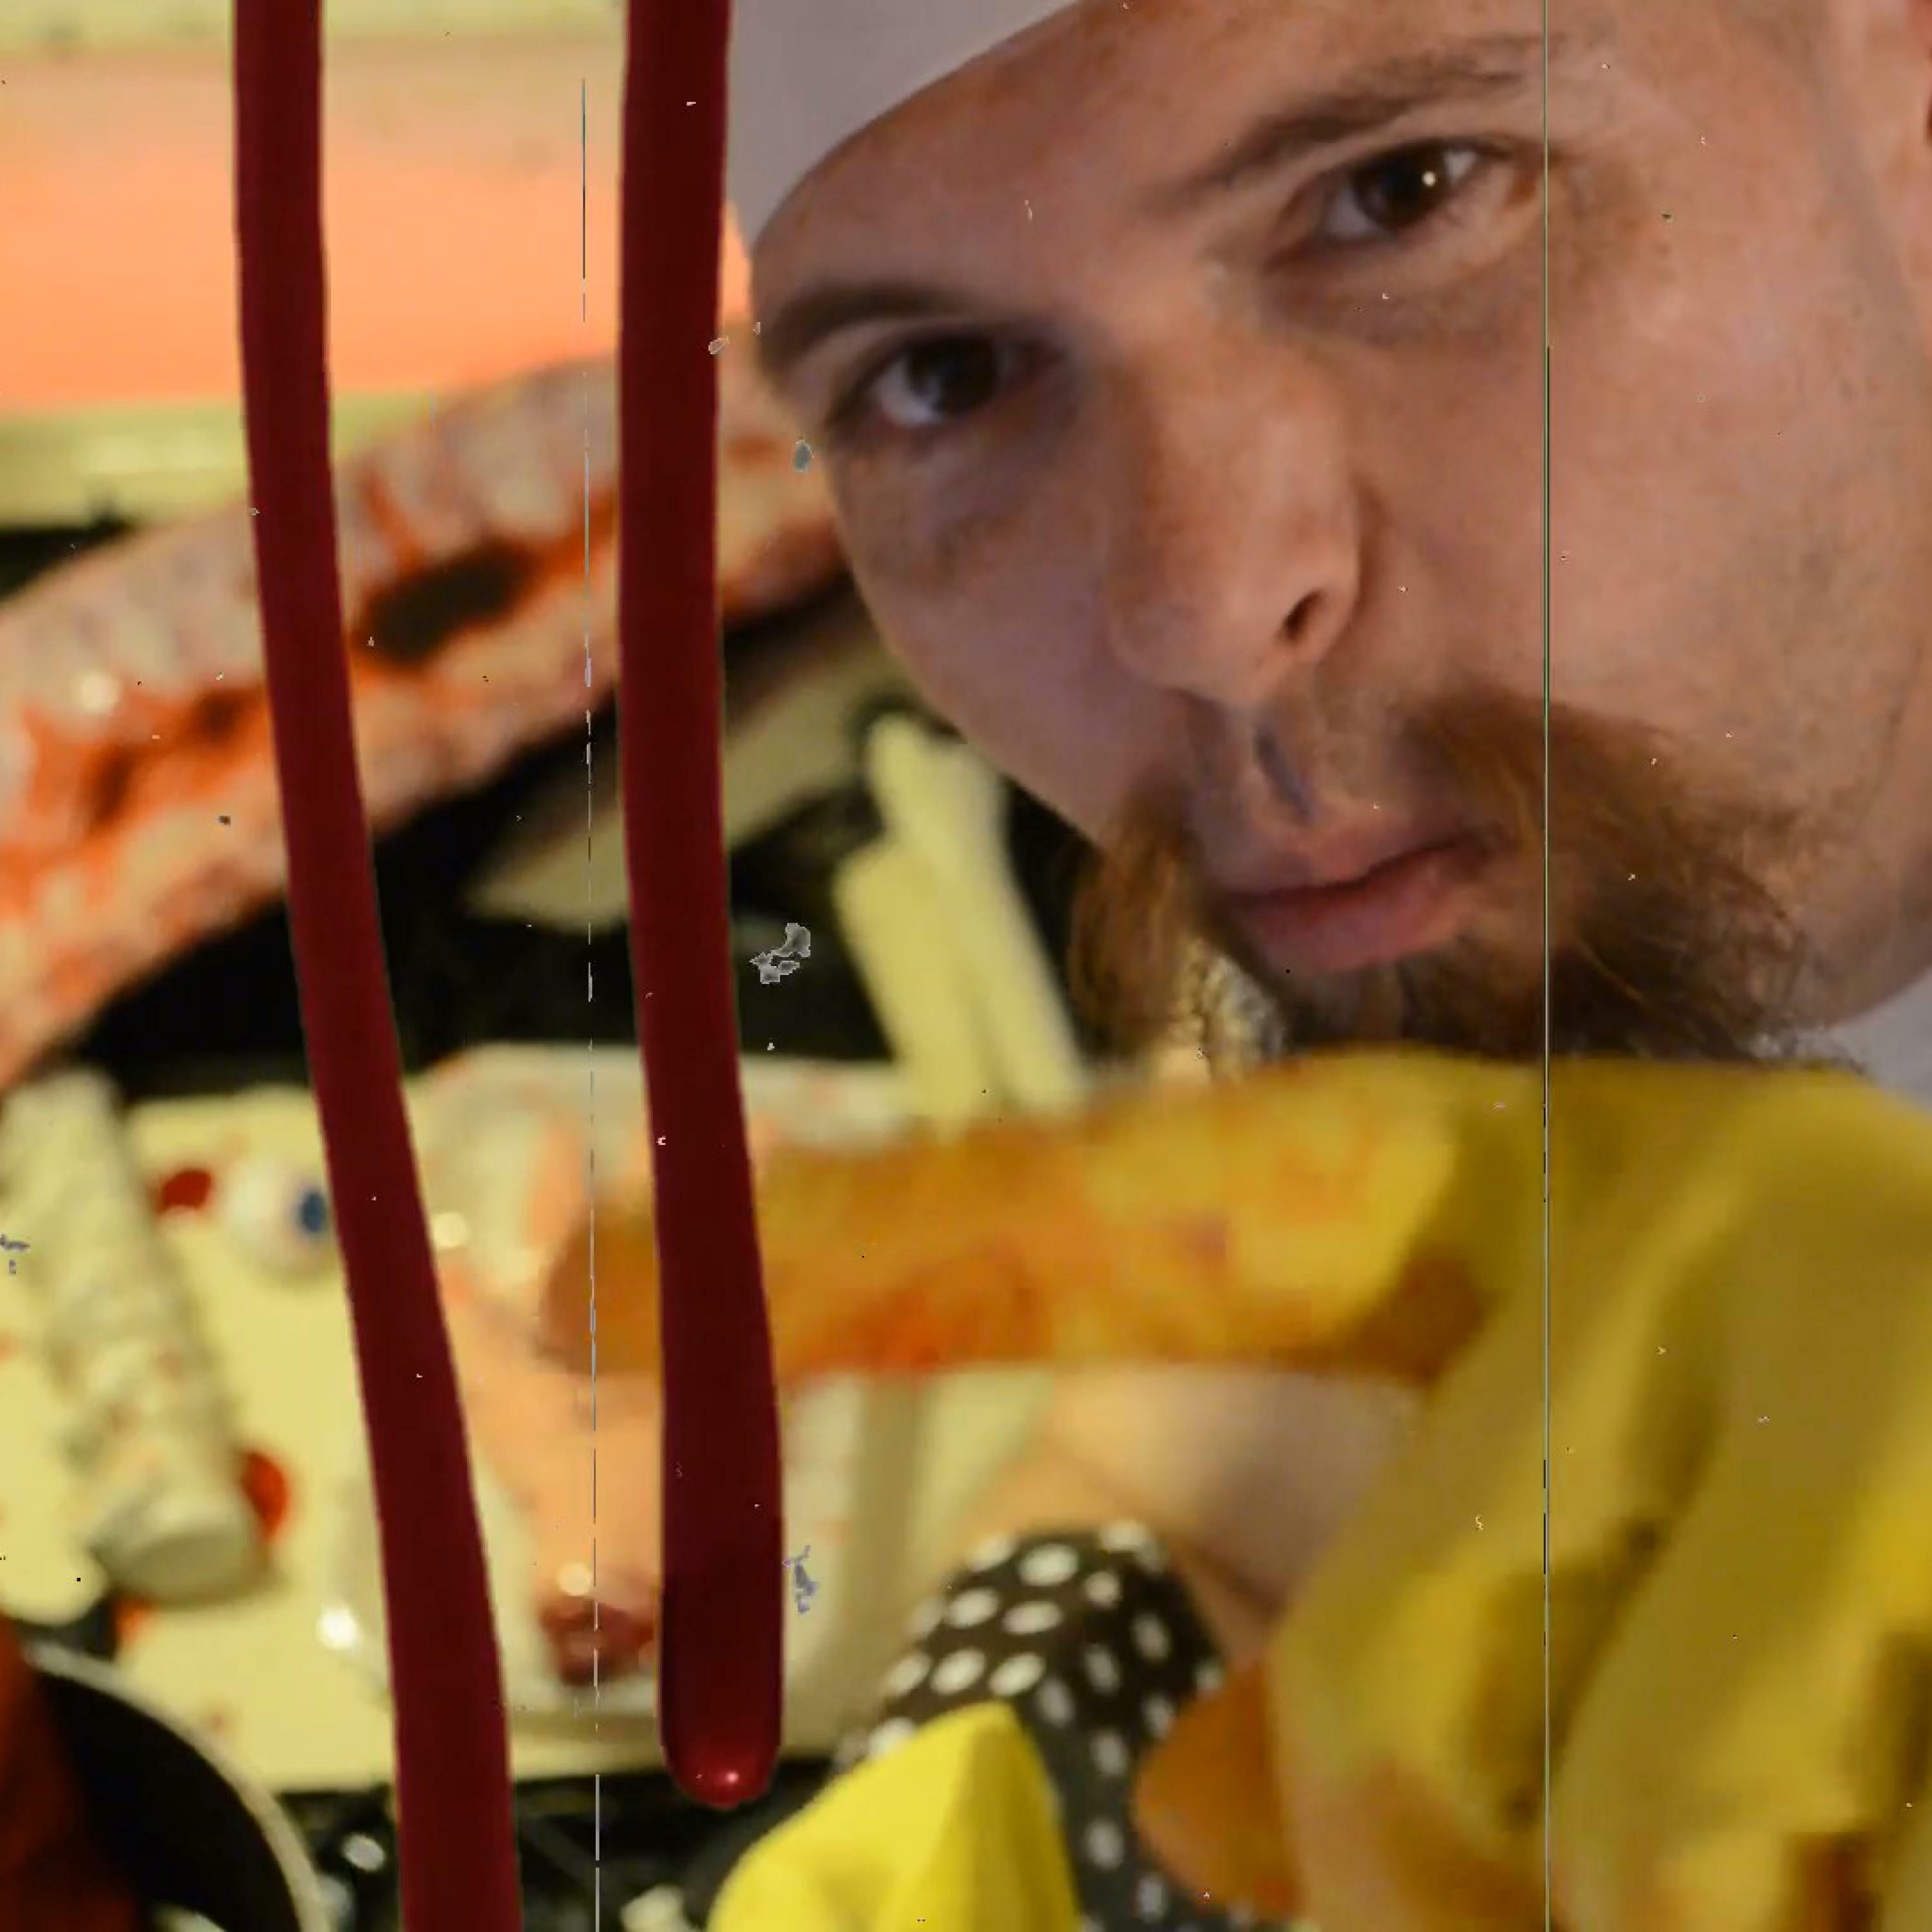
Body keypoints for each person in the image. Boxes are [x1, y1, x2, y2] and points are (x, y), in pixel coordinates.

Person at [634, 1, 1932, 1924]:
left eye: (1403, 195)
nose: (1202, 607)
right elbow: (1220, 1459)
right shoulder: (1473, 847)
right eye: (946, 374)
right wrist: (1018, 1752)